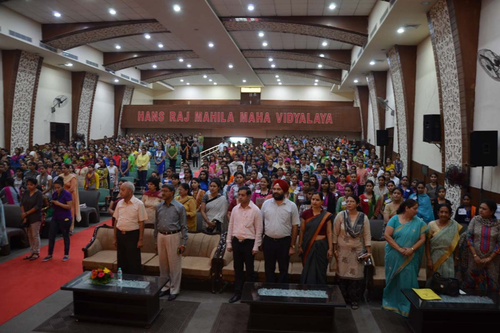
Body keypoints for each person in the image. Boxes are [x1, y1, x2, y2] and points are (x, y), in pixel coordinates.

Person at [382, 199, 428, 317]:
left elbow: (422, 239)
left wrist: (411, 249)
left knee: (408, 280)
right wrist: (400, 249)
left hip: (410, 256)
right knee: (394, 279)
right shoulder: (395, 219)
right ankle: (391, 303)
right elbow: (387, 235)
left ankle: (407, 305)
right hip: (394, 254)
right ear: (407, 208)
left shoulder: (419, 223)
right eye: (414, 208)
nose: (417, 211)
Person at [333, 195, 371, 310]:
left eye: (351, 201)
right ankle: (342, 298)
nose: (348, 203)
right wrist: (334, 249)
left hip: (358, 251)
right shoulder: (340, 215)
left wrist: (368, 252)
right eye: (347, 201)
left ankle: (354, 300)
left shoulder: (363, 217)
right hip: (342, 250)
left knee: (357, 275)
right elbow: (335, 233)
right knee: (342, 274)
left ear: (357, 204)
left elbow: (367, 235)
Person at [226, 186, 263, 303]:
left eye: (242, 195)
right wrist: (229, 243)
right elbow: (230, 226)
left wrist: (256, 246)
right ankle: (237, 292)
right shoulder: (235, 209)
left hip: (249, 242)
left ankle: (249, 293)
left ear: (248, 196)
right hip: (237, 241)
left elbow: (259, 230)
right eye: (239, 195)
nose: (240, 197)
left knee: (250, 270)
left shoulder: (256, 210)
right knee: (237, 268)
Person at [261, 179, 300, 283]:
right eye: (274, 189)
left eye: (279, 189)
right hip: (268, 241)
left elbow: (295, 227)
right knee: (269, 268)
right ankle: (269, 292)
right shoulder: (266, 204)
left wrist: (292, 246)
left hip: (284, 242)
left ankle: (282, 294)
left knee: (283, 269)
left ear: (285, 191)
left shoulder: (292, 206)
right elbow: (261, 223)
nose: (276, 191)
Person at [457, 199, 500, 293]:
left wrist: (489, 258)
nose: (480, 210)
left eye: (484, 209)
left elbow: (499, 243)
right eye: (480, 208)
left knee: (491, 284)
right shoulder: (475, 220)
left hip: (492, 260)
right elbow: (468, 237)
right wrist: (475, 255)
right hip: (474, 258)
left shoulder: (498, 224)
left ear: (492, 211)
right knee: (471, 282)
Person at [155, 184, 188, 301]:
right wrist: (155, 240)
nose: (162, 193)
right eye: (162, 191)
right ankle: (164, 287)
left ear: (172, 193)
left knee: (174, 264)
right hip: (161, 235)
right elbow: (156, 224)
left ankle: (174, 289)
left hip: (174, 236)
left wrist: (183, 242)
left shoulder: (179, 207)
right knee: (163, 264)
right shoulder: (159, 206)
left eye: (165, 191)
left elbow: (184, 226)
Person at [298, 192, 333, 285]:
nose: (315, 202)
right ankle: (306, 293)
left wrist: (330, 248)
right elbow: (302, 231)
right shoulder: (305, 214)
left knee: (320, 271)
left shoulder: (327, 215)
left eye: (317, 200)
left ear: (322, 201)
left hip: (322, 246)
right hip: (308, 246)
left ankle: (320, 293)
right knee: (308, 271)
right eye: (313, 199)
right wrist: (300, 245)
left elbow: (329, 232)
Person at [113, 181, 147, 274]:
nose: (120, 192)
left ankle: (135, 283)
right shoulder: (119, 203)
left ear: (130, 191)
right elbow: (116, 220)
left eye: (123, 190)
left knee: (133, 261)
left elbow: (142, 222)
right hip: (120, 234)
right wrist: (115, 238)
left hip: (132, 235)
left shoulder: (139, 204)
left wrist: (140, 239)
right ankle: (122, 282)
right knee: (121, 260)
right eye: (120, 189)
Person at [425, 204, 462, 280]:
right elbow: (427, 244)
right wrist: (429, 259)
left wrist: (456, 259)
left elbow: (456, 244)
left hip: (449, 258)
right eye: (441, 212)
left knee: (447, 282)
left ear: (450, 214)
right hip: (434, 257)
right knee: (433, 281)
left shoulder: (454, 226)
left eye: (446, 212)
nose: (443, 214)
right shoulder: (431, 225)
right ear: (438, 213)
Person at [42, 178, 73, 262]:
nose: (57, 189)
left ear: (62, 186)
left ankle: (66, 254)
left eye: (58, 187)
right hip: (56, 217)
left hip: (65, 217)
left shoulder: (67, 194)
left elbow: (69, 207)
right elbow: (53, 205)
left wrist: (58, 203)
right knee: (51, 235)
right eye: (55, 188)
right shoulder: (55, 193)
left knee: (65, 235)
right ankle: (49, 254)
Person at [21, 178, 44, 261]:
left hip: (35, 217)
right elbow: (22, 203)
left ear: (35, 185)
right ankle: (31, 251)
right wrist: (24, 214)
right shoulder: (26, 192)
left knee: (35, 235)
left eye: (31, 185)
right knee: (29, 235)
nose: (29, 186)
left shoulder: (39, 194)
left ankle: (36, 252)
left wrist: (27, 213)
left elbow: (37, 206)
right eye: (28, 185)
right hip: (26, 216)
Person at [60, 164, 80, 233]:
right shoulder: (60, 176)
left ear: (69, 169)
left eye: (65, 168)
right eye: (62, 168)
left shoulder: (72, 177)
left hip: (70, 196)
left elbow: (72, 188)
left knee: (70, 212)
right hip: (61, 196)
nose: (63, 169)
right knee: (62, 211)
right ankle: (62, 228)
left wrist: (64, 194)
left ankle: (70, 228)